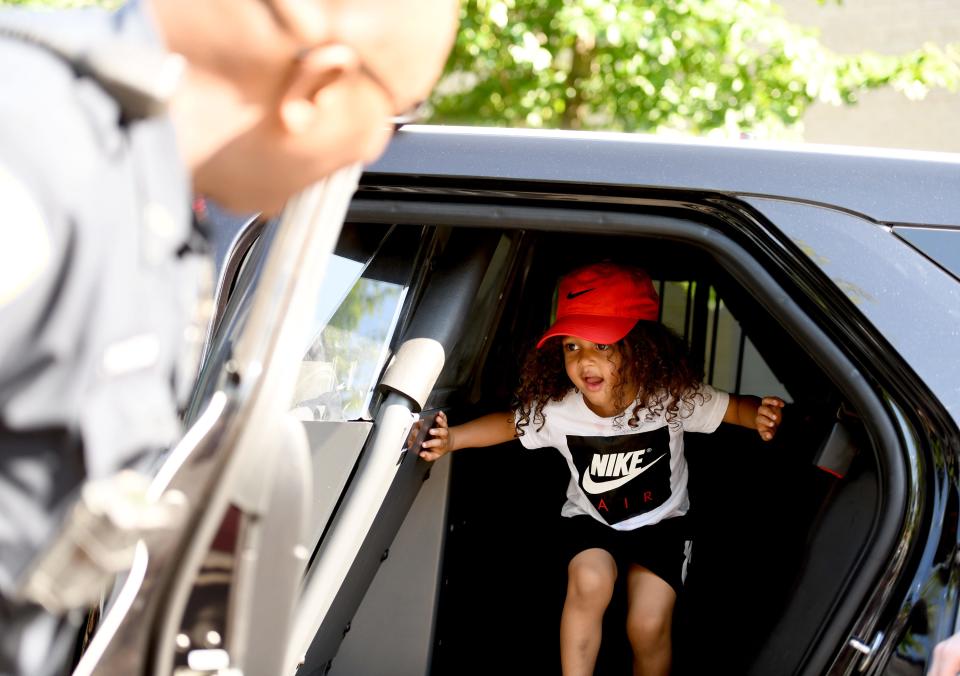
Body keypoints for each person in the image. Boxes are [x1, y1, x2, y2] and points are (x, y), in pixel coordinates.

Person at [0, 0, 459, 674]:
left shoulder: (141, 186)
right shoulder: (30, 161)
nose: (380, 149)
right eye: (404, 111)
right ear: (319, 87)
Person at [419, 261, 785, 676]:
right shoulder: (560, 411)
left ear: (641, 346)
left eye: (602, 346)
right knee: (589, 583)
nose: (585, 361)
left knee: (646, 624)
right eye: (572, 347)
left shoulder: (671, 397)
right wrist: (454, 439)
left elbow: (730, 407)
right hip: (591, 521)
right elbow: (508, 424)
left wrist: (759, 413)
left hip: (663, 524)